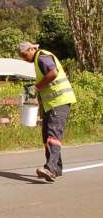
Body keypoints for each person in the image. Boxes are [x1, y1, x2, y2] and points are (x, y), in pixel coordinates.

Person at [18, 42, 76, 182]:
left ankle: (50, 169)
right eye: (23, 58)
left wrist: (36, 87)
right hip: (52, 104)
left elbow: (53, 73)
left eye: (25, 55)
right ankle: (56, 168)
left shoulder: (42, 56)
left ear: (32, 49)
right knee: (46, 136)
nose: (25, 59)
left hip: (60, 101)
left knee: (53, 135)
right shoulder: (38, 60)